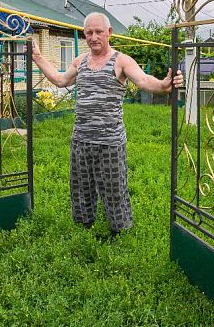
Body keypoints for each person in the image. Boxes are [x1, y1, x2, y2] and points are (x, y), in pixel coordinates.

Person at [31, 12, 184, 235]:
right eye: (89, 33)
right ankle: (84, 226)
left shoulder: (121, 60)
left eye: (98, 32)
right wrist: (37, 57)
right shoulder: (81, 61)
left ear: (109, 33)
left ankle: (121, 231)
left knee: (114, 188)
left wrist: (163, 84)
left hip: (110, 141)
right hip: (81, 138)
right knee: (80, 187)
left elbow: (143, 81)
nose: (94, 37)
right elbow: (60, 80)